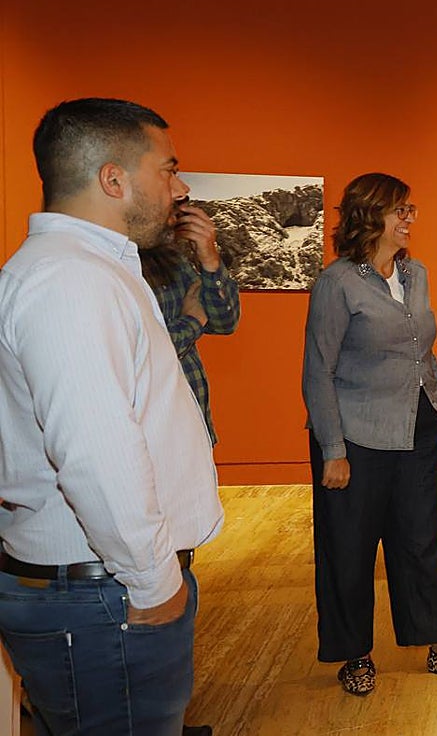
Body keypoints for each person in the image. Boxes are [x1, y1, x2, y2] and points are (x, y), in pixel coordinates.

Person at [0, 98, 223, 734]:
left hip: (98, 590)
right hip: (105, 598)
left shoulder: (85, 270)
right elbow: (95, 451)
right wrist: (154, 583)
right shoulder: (70, 281)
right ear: (113, 178)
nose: (179, 188)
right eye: (169, 169)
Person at [302, 171, 437, 696]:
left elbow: (420, 348)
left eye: (411, 210)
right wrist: (332, 449)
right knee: (349, 547)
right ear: (370, 216)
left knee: (420, 539)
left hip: (420, 426)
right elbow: (318, 371)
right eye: (400, 210)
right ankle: (355, 654)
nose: (410, 219)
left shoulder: (416, 273)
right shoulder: (338, 283)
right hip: (357, 436)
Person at [140, 198, 241, 444]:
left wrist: (210, 261)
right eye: (167, 179)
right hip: (149, 433)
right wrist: (192, 321)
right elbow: (139, 353)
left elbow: (223, 321)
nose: (181, 190)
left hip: (191, 427)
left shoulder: (169, 257)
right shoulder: (109, 265)